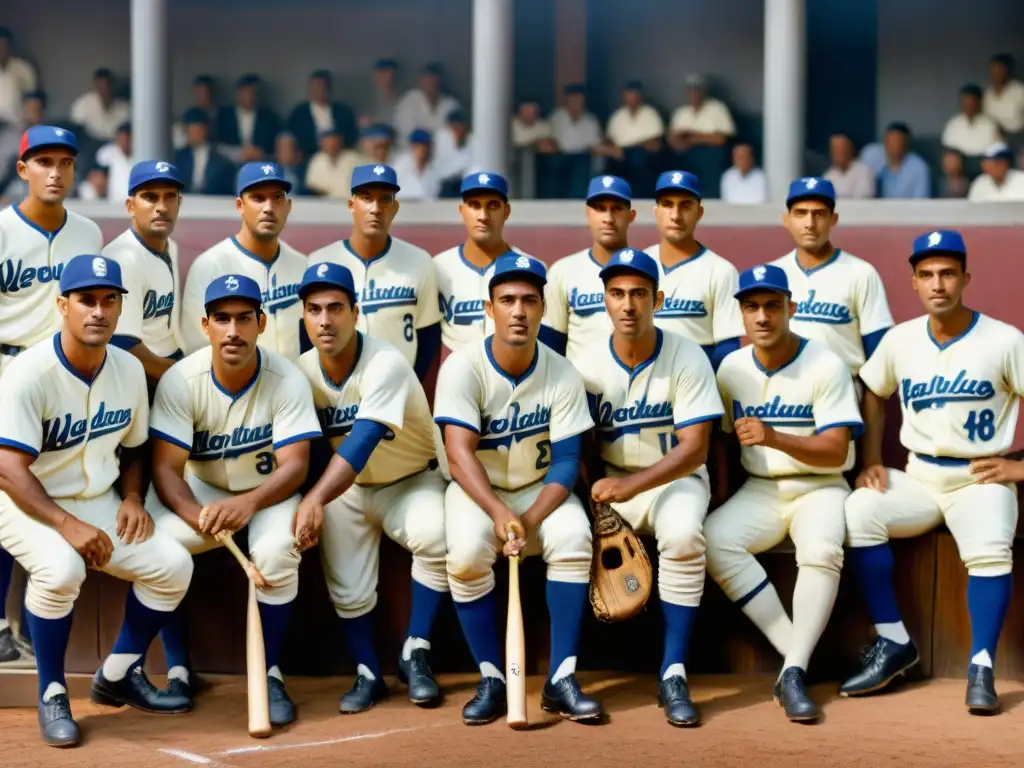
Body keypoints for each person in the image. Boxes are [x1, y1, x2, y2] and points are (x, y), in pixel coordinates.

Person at [0, 254, 194, 747]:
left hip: (96, 499)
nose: (98, 311)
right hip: (22, 500)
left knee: (173, 566)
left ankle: (120, 673)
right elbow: (8, 469)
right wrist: (67, 526)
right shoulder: (28, 373)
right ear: (62, 305)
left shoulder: (128, 368)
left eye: (110, 300)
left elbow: (134, 448)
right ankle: (52, 692)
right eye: (86, 300)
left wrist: (132, 496)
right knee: (62, 570)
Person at [839, 230, 1024, 714]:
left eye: (946, 273)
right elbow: (873, 391)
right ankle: (894, 641)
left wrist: (1019, 467)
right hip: (919, 475)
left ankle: (980, 665)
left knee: (989, 551)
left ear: (965, 278)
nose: (937, 284)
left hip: (980, 476)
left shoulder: (1004, 339)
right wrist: (872, 458)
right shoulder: (901, 340)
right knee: (860, 509)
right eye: (926, 275)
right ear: (914, 282)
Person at [146, 274, 322, 725]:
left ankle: (271, 672)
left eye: (244, 318)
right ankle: (179, 668)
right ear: (205, 326)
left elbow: (295, 466)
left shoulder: (286, 378)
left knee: (279, 550)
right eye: (221, 319)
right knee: (163, 550)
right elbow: (166, 469)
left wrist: (250, 504)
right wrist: (196, 515)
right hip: (199, 488)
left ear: (261, 323)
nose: (233, 330)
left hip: (268, 492)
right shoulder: (182, 379)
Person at [434, 253, 602, 725]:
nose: (519, 310)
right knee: (466, 554)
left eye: (530, 300)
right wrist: (495, 512)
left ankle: (562, 678)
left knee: (573, 539)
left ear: (543, 309)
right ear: (490, 309)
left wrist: (527, 520)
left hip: (538, 489)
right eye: (507, 300)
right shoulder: (463, 367)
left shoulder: (561, 371)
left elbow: (568, 461)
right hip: (476, 491)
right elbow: (458, 454)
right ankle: (492, 676)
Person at [706, 264, 863, 722]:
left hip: (820, 487)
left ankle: (792, 669)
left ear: (790, 309)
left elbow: (836, 451)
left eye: (772, 306)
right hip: (762, 488)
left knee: (820, 549)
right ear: (740, 315)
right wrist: (718, 493)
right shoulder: (731, 368)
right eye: (752, 307)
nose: (761, 316)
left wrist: (775, 436)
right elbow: (719, 439)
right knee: (714, 538)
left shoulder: (825, 362)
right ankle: (796, 658)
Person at [575, 248, 723, 726]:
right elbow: (579, 444)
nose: (628, 304)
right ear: (605, 300)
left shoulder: (686, 354)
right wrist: (593, 495)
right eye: (617, 294)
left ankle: (674, 671)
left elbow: (696, 449)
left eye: (639, 293)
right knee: (567, 543)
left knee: (682, 534)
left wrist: (630, 485)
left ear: (657, 298)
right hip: (610, 487)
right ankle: (564, 672)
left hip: (673, 481)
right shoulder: (586, 363)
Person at [295, 262, 449, 713]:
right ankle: (367, 671)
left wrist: (314, 498)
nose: (326, 320)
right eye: (315, 309)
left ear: (356, 312)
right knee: (347, 587)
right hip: (348, 490)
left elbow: (361, 443)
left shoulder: (386, 362)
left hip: (412, 480)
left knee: (439, 536)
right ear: (303, 317)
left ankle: (415, 649)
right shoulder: (298, 372)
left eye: (336, 308)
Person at [0, 125, 103, 666]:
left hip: (65, 376)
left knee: (42, 484)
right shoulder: (1, 230)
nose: (56, 172)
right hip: (7, 363)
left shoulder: (87, 232)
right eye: (44, 162)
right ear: (24, 170)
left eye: (65, 162)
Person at [309, 164, 441, 381]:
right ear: (351, 205)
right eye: (367, 198)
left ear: (395, 207)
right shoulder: (319, 261)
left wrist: (412, 388)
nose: (376, 208)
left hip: (400, 392)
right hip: (338, 395)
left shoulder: (419, 261)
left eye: (385, 199)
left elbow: (428, 337)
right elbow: (307, 337)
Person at [180, 162, 307, 360]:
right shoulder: (210, 266)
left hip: (295, 388)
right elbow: (197, 349)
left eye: (277, 198)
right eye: (258, 198)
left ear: (288, 206)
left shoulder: (302, 266)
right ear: (240, 205)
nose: (269, 208)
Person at [771, 177, 894, 379]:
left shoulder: (861, 273)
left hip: (844, 391)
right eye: (801, 213)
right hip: (785, 395)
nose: (810, 223)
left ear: (833, 219)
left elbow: (878, 361)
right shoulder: (774, 274)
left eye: (818, 214)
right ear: (787, 220)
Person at [643, 170, 742, 371]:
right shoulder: (638, 265)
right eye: (668, 204)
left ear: (700, 212)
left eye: (685, 206)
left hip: (696, 388)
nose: (676, 215)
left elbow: (728, 347)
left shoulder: (720, 270)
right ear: (656, 212)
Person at [102, 160, 187, 385]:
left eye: (169, 196)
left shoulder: (172, 246)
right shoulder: (121, 259)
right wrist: (183, 378)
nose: (161, 206)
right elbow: (122, 346)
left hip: (167, 363)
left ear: (179, 203)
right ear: (130, 205)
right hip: (136, 377)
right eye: (150, 197)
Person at [540, 175, 634, 363]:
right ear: (588, 214)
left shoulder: (649, 271)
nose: (608, 218)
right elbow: (552, 343)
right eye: (600, 209)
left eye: (616, 209)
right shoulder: (563, 271)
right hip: (581, 388)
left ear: (631, 216)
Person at [434, 172, 531, 353]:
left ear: (506, 212)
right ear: (462, 211)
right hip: (458, 375)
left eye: (493, 206)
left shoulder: (529, 268)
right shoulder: (438, 268)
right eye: (474, 206)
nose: (483, 216)